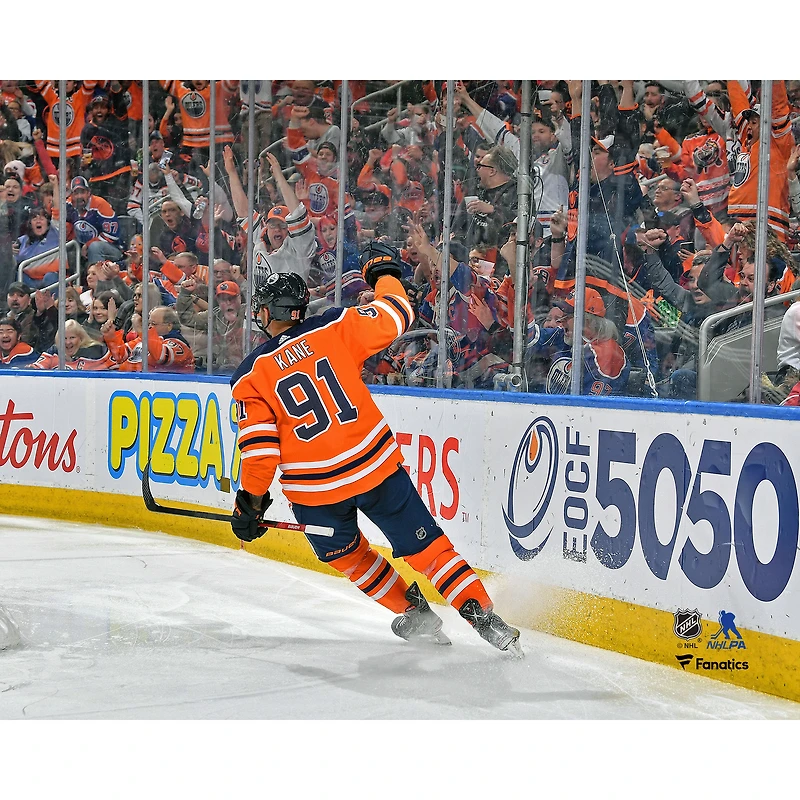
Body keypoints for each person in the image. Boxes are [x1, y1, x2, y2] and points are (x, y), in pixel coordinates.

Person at [229, 243, 522, 655]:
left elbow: (260, 455)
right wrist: (382, 272)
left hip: (317, 495)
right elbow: (397, 312)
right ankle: (485, 618)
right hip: (377, 470)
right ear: (299, 308)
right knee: (430, 549)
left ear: (264, 313)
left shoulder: (249, 377)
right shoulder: (334, 326)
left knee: (348, 555)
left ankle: (415, 612)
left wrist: (250, 505)